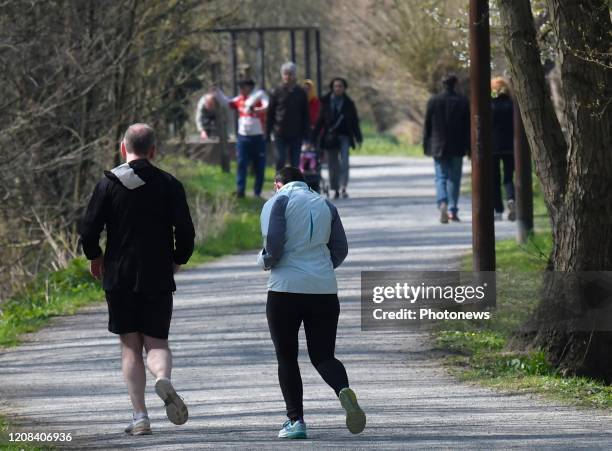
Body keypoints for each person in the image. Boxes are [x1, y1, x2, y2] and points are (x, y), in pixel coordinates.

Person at [79, 124, 195, 436]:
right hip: (157, 272)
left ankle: (140, 415)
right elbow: (185, 231)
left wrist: (95, 255)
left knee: (130, 346)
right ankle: (162, 377)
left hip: (119, 274)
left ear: (122, 148)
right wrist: (178, 258)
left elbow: (88, 229)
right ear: (154, 151)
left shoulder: (109, 184)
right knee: (157, 341)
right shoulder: (169, 184)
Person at [257, 166, 366, 440]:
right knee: (323, 356)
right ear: (305, 183)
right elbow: (340, 248)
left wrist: (264, 261)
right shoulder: (325, 204)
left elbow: (274, 246)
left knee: (287, 357)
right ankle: (342, 389)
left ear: (278, 184)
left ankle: (296, 422)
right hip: (324, 291)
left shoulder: (278, 201)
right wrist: (321, 269)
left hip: (285, 291)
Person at [423, 74, 470, 223]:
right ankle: (452, 210)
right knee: (454, 179)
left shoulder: (433, 101)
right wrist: (469, 147)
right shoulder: (463, 101)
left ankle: (442, 202)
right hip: (457, 145)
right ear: (455, 84)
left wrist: (426, 144)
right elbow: (467, 127)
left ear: (443, 84)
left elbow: (427, 126)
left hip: (438, 145)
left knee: (440, 177)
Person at [214, 79, 269, 198]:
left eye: (243, 87)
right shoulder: (239, 99)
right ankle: (240, 191)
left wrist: (258, 110)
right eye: (240, 87)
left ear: (250, 87)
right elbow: (227, 103)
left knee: (259, 165)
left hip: (258, 138)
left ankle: (257, 192)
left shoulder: (259, 96)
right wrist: (217, 92)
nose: (241, 89)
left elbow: (266, 105)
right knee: (241, 163)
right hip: (243, 138)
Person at [312, 77, 362, 199]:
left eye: (340, 86)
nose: (338, 88)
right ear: (332, 88)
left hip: (345, 136)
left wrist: (358, 137)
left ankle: (343, 186)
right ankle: (335, 188)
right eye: (336, 86)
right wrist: (313, 137)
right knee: (332, 164)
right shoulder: (326, 102)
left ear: (344, 88)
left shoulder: (349, 103)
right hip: (330, 138)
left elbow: (355, 121)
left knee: (345, 162)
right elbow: (320, 121)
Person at [266, 62, 310, 170]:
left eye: (290, 74)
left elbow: (305, 114)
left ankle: (293, 185)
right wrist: (267, 132)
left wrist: (307, 135)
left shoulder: (301, 93)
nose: (287, 77)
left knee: (295, 163)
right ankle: (279, 184)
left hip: (296, 133)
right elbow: (270, 112)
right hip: (279, 132)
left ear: (294, 75)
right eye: (285, 74)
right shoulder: (276, 91)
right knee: (280, 159)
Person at [491, 77, 516, 221]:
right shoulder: (512, 105)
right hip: (509, 147)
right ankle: (511, 199)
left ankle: (498, 209)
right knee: (508, 177)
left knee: (494, 179)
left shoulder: (489, 104)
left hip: (493, 147)